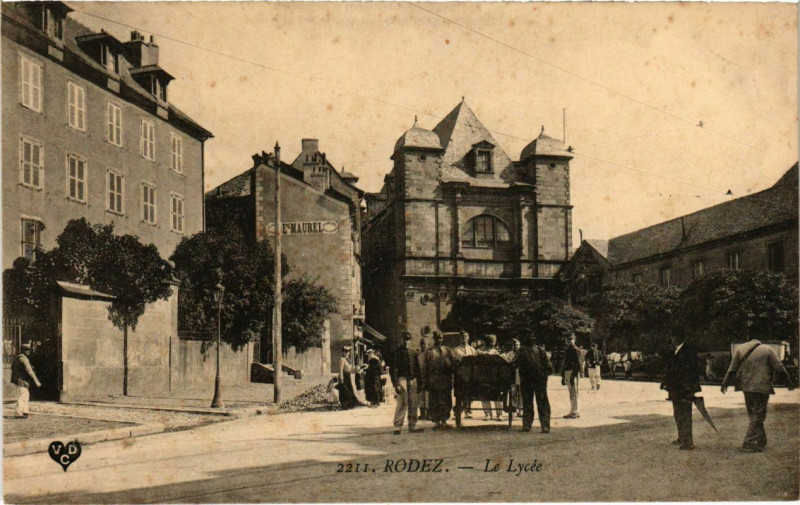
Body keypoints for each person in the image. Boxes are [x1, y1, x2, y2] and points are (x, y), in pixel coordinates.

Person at [721, 337, 795, 453]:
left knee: (754, 414)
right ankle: (748, 442)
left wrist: (724, 383)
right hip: (762, 387)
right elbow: (779, 367)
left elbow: (732, 368)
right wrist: (789, 382)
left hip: (746, 387)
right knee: (759, 414)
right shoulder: (767, 349)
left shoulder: (740, 348)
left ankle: (761, 440)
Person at [662, 335, 701, 450]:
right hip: (676, 389)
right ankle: (681, 438)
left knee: (685, 415)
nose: (671, 339)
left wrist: (689, 389)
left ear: (676, 337)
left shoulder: (688, 351)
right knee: (678, 414)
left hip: (684, 389)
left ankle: (688, 442)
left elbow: (691, 371)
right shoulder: (676, 351)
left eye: (673, 336)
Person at [517, 333, 554, 433]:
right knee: (538, 402)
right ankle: (542, 426)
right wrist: (544, 375)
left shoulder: (522, 350)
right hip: (535, 380)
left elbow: (515, 363)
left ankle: (529, 425)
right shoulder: (537, 349)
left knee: (530, 402)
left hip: (530, 380)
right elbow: (548, 366)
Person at [389, 331, 424, 434]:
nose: (406, 341)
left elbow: (417, 369)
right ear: (401, 340)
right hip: (402, 379)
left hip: (412, 380)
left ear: (410, 340)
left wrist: (420, 383)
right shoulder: (396, 353)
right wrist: (396, 384)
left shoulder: (413, 353)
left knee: (413, 403)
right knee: (402, 402)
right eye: (404, 339)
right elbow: (393, 370)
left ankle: (412, 425)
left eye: (408, 339)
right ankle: (397, 426)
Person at [423, 330, 456, 430]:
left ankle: (444, 421)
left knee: (446, 400)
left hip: (445, 380)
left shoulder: (448, 350)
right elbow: (425, 367)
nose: (439, 340)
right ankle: (436, 422)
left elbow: (454, 364)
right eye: (437, 338)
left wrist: (450, 365)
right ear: (434, 339)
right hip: (434, 380)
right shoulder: (429, 351)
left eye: (441, 338)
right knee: (434, 401)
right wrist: (425, 381)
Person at [11, 343, 41, 418]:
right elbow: (29, 371)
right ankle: (18, 412)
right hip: (22, 380)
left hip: (19, 380)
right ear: (23, 350)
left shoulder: (16, 358)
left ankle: (25, 411)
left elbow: (12, 368)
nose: (28, 351)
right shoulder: (24, 359)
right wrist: (36, 381)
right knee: (22, 396)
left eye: (28, 350)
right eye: (26, 350)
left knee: (25, 395)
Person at [478, 334, 504, 421]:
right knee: (484, 395)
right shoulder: (479, 352)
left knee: (497, 395)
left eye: (494, 342)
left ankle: (499, 414)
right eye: (492, 342)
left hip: (494, 377)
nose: (493, 344)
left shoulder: (495, 352)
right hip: (484, 377)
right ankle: (487, 414)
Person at [452, 331, 477, 418]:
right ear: (460, 338)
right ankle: (458, 411)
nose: (464, 338)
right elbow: (454, 363)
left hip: (470, 376)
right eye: (463, 337)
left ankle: (468, 411)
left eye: (466, 336)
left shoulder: (472, 350)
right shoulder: (456, 350)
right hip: (460, 376)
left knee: (469, 394)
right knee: (459, 395)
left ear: (468, 338)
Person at [561, 334, 581, 419]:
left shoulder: (575, 350)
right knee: (572, 393)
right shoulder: (568, 350)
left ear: (574, 339)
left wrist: (573, 375)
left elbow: (578, 364)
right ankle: (574, 411)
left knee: (574, 393)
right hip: (567, 372)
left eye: (571, 339)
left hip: (573, 372)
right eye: (568, 339)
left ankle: (574, 412)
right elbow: (564, 363)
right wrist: (563, 377)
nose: (569, 341)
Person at [337, 345, 360, 410]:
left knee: (349, 390)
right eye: (345, 352)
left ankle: (349, 405)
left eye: (347, 352)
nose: (346, 353)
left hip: (348, 376)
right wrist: (341, 378)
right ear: (343, 352)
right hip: (344, 376)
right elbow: (340, 369)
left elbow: (350, 370)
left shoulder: (347, 359)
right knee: (344, 391)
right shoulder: (342, 359)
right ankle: (345, 405)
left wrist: (356, 369)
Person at [416, 339, 430, 420]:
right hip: (420, 378)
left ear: (427, 344)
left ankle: (428, 414)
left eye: (424, 344)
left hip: (428, 378)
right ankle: (422, 414)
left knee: (427, 396)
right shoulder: (418, 355)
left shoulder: (430, 354)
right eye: (422, 344)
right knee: (420, 396)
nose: (423, 346)